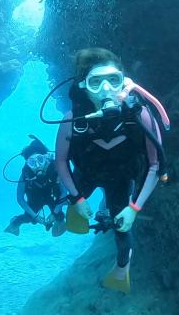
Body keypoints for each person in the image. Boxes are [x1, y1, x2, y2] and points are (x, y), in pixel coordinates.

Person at [54, 48, 169, 294]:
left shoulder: (140, 115)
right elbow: (61, 162)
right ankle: (70, 213)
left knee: (122, 228)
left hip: (121, 180)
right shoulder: (72, 120)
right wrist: (77, 198)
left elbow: (155, 165)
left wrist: (134, 208)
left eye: (113, 80)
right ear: (84, 86)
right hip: (85, 175)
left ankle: (120, 272)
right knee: (67, 202)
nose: (106, 89)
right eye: (96, 82)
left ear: (125, 83)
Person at [4, 137, 67, 237]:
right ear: (28, 164)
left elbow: (64, 192)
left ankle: (59, 220)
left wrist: (55, 213)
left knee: (59, 215)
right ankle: (15, 222)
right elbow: (20, 199)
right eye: (32, 163)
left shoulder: (55, 169)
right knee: (29, 218)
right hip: (35, 197)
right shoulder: (26, 174)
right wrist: (35, 216)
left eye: (40, 159)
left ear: (46, 158)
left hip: (51, 195)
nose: (37, 165)